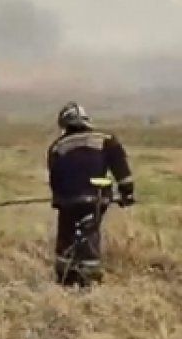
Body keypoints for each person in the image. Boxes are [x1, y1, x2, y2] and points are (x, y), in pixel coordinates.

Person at [47, 101, 134, 287]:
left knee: (66, 235)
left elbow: (55, 178)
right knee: (88, 234)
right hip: (97, 198)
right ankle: (88, 280)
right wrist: (127, 193)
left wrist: (59, 201)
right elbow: (121, 170)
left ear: (64, 124)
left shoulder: (57, 147)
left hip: (69, 201)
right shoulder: (106, 139)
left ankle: (66, 278)